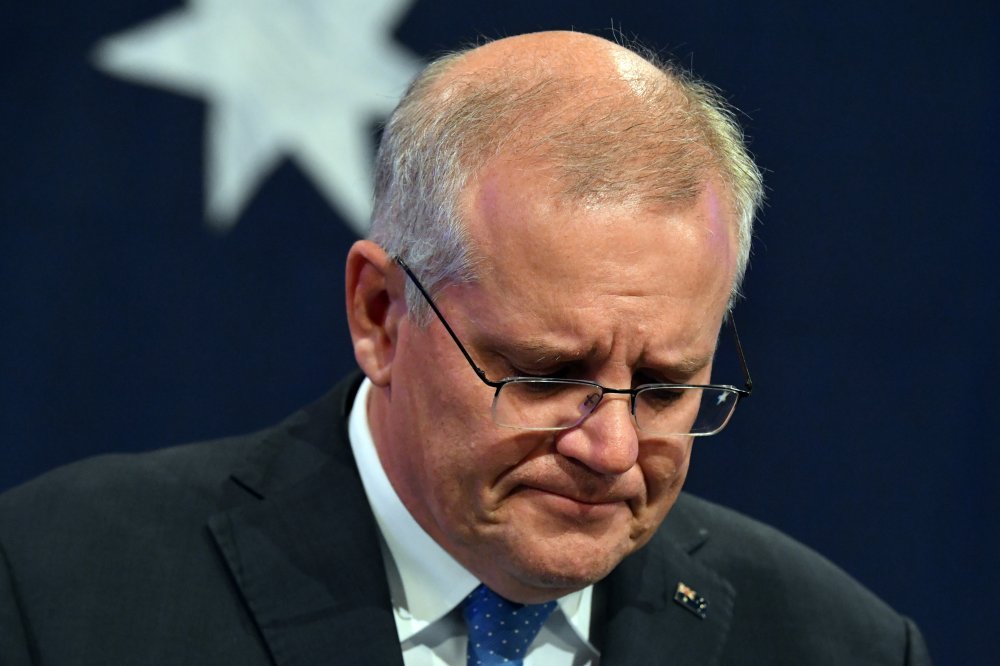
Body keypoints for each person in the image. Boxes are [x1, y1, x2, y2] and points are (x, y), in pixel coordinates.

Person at [0, 31, 930, 665]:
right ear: (380, 314)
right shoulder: (60, 587)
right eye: (546, 375)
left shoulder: (838, 645)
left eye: (662, 387)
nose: (611, 450)